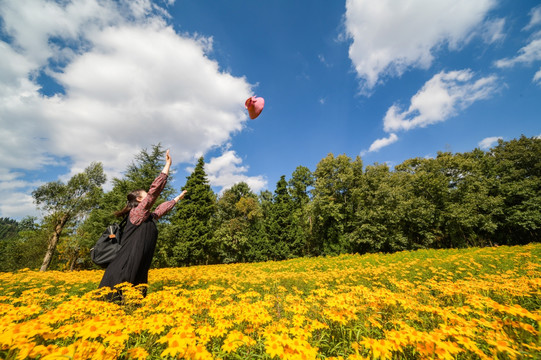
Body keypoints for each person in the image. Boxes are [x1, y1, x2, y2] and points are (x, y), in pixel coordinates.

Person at [98, 149, 186, 301]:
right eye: (144, 195)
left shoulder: (147, 217)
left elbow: (159, 211)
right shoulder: (137, 213)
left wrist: (177, 198)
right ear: (139, 199)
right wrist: (167, 166)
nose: (148, 198)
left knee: (132, 300)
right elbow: (154, 192)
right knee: (115, 302)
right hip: (123, 269)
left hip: (137, 266)